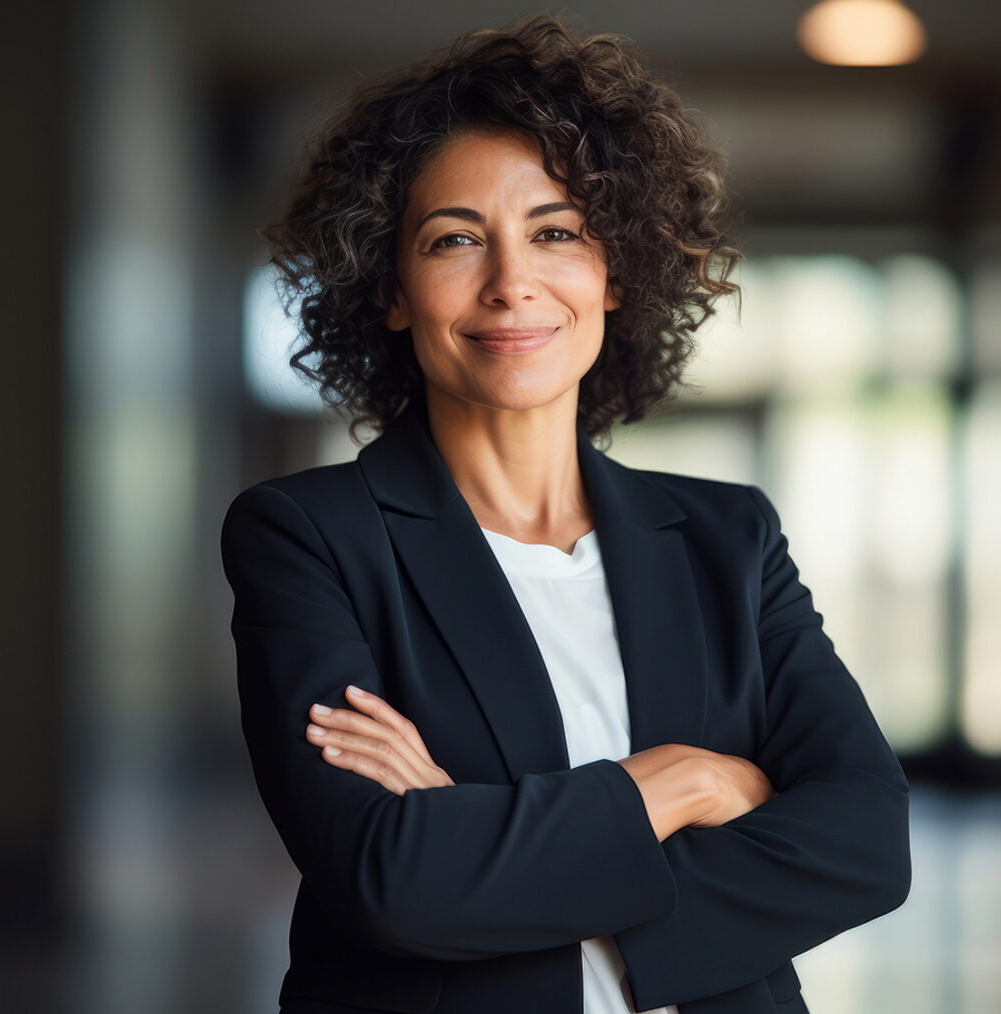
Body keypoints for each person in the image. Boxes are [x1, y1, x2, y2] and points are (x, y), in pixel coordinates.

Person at [221, 15, 910, 1014]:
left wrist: (481, 838)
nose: (512, 285)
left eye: (555, 232)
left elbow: (863, 843)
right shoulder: (309, 537)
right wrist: (685, 786)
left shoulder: (729, 540)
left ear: (615, 271)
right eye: (454, 239)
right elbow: (392, 880)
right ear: (392, 289)